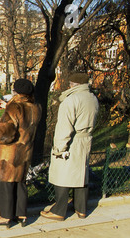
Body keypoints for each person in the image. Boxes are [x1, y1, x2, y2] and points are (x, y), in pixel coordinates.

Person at [41, 72, 99, 221]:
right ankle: (81, 209)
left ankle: (59, 210)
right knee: (81, 175)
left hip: (72, 141)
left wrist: (60, 148)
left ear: (73, 84)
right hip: (86, 140)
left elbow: (64, 127)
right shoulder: (92, 98)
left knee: (62, 175)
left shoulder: (71, 100)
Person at [0, 79, 42, 228]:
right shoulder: (35, 107)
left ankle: (6, 217)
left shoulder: (14, 107)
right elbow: (23, 120)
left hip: (10, 152)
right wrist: (8, 107)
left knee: (6, 182)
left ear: (15, 91)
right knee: (21, 181)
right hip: (25, 150)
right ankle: (22, 215)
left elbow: (7, 133)